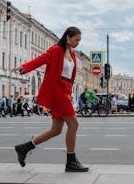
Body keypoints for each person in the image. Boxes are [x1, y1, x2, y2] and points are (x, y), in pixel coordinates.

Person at [12, 27, 88, 172]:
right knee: (74, 124)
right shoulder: (56, 50)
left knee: (56, 130)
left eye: (79, 40)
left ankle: (24, 148)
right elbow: (41, 59)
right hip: (57, 91)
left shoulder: (71, 53)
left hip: (65, 91)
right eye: (76, 39)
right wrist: (24, 67)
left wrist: (69, 91)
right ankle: (71, 161)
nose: (78, 43)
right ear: (68, 37)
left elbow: (70, 75)